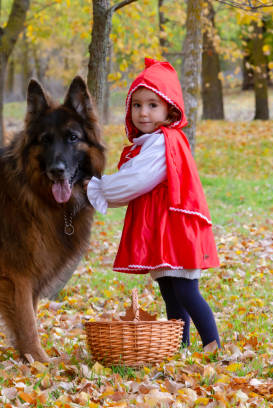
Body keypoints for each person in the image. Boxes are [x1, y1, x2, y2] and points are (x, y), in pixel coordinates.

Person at [86, 58, 221, 349]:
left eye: (152, 105)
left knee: (186, 291)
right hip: (165, 231)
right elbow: (134, 183)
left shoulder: (163, 142)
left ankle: (214, 345)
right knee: (171, 292)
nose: (143, 113)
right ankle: (180, 346)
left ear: (169, 110)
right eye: (137, 105)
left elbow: (134, 181)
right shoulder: (153, 142)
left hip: (176, 231)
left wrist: (96, 187)